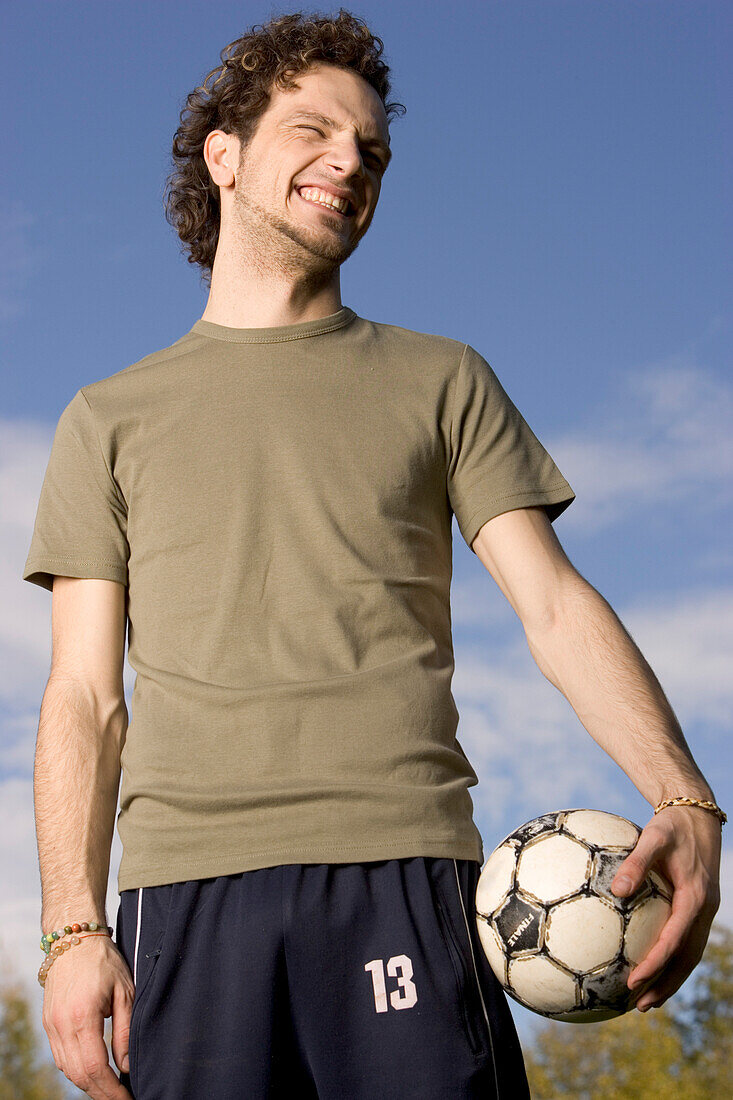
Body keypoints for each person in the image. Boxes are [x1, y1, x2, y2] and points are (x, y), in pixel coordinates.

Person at [23, 10, 723, 1100]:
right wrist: (73, 926)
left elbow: (551, 604)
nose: (349, 160)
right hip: (184, 899)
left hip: (406, 876)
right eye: (312, 130)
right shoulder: (107, 418)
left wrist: (685, 799)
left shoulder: (443, 379)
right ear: (225, 154)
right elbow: (82, 695)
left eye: (371, 148)